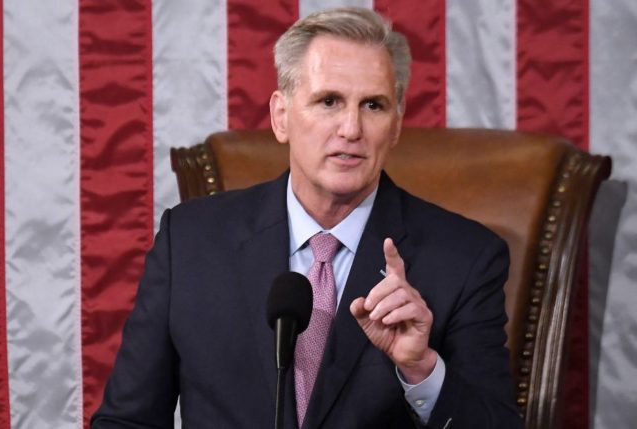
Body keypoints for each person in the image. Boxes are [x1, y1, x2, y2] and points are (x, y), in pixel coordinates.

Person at [92, 7, 521, 429]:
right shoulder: (190, 242)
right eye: (329, 101)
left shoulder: (464, 259)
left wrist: (421, 369)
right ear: (282, 116)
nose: (351, 128)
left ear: (395, 125)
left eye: (373, 105)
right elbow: (127, 421)